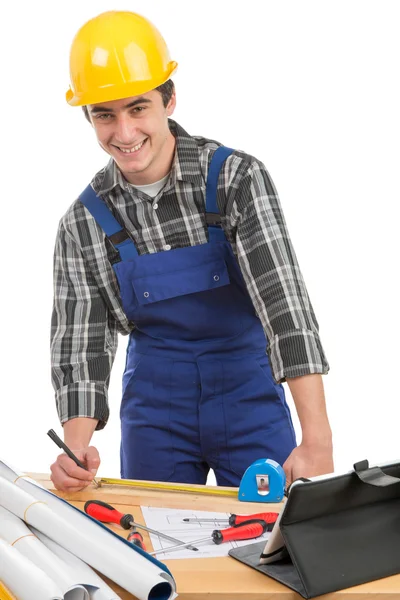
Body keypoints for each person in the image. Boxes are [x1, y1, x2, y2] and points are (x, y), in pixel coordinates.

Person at [50, 10, 333, 492]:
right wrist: (76, 452)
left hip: (248, 393)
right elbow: (83, 344)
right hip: (156, 409)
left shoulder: (234, 179)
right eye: (104, 114)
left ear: (169, 99)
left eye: (137, 108)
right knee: (156, 549)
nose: (123, 132)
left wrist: (317, 439)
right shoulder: (82, 222)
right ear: (89, 118)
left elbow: (285, 307)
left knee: (273, 545)